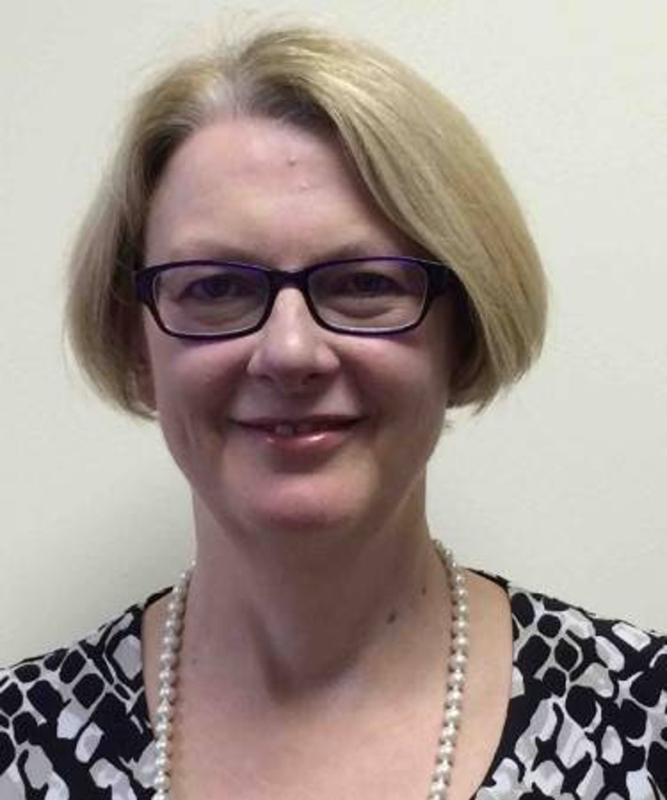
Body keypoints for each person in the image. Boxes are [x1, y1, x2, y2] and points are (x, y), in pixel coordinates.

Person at [0, 23, 665, 800]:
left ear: (464, 328)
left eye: (364, 284)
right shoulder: (19, 741)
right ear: (135, 339)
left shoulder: (642, 720)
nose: (289, 351)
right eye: (214, 287)